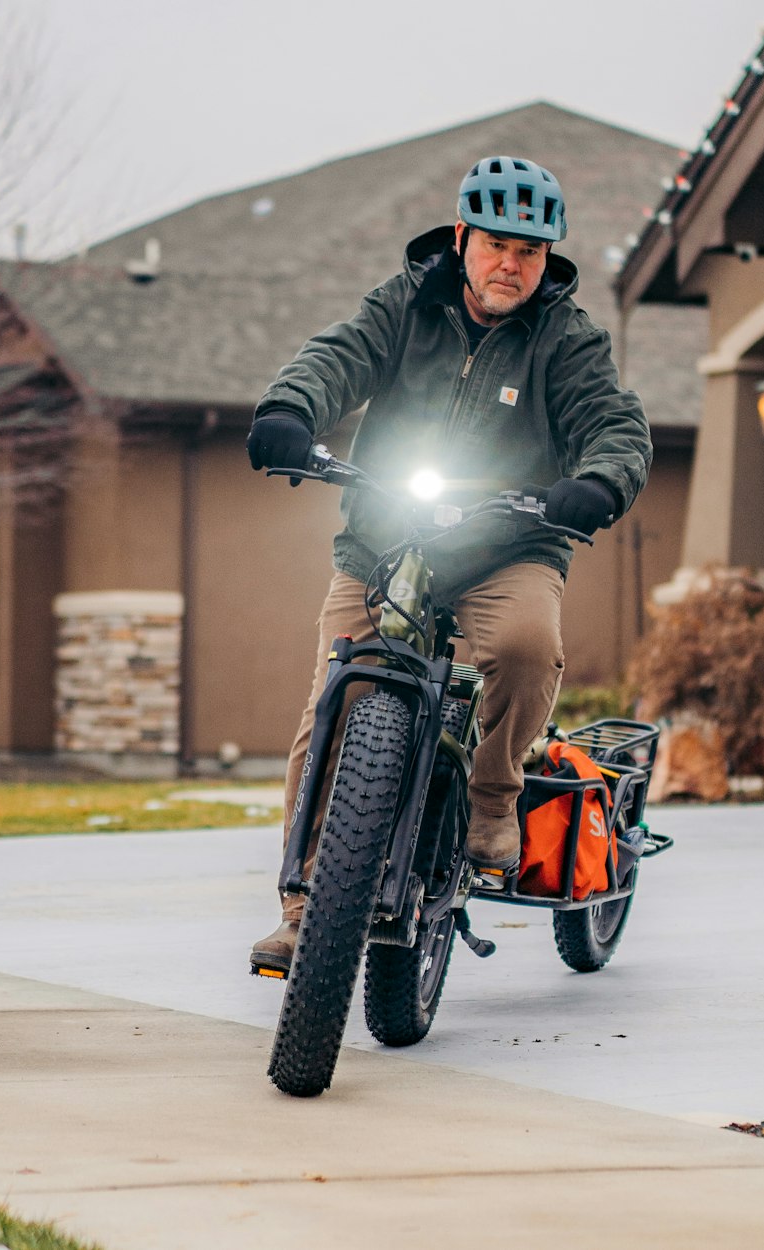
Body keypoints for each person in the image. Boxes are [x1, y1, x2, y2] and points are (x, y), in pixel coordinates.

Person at [247, 155, 652, 973]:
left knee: (525, 648)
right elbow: (336, 357)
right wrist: (291, 410)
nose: (512, 265)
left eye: (530, 252)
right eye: (498, 244)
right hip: (386, 539)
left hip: (508, 543)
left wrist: (599, 479)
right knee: (339, 695)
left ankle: (491, 803)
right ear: (461, 238)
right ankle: (305, 907)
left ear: (548, 260)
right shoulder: (402, 305)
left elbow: (613, 420)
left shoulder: (566, 339)